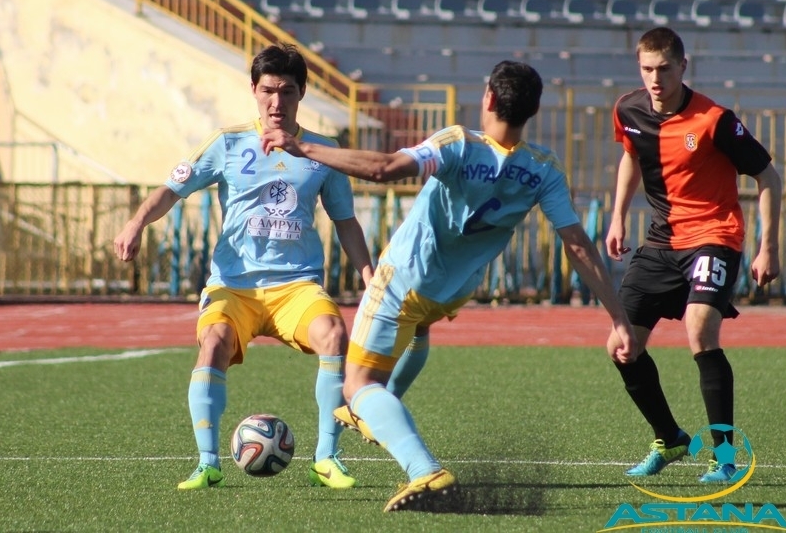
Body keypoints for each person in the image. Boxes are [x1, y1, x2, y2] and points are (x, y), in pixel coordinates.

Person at [262, 60, 637, 512]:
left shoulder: (458, 143)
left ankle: (423, 469)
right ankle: (383, 407)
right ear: (532, 111)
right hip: (452, 291)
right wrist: (618, 318)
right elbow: (577, 244)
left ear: (488, 99)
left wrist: (303, 147)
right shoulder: (544, 168)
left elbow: (385, 168)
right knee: (416, 331)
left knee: (356, 387)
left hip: (406, 278)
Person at [114, 43, 374, 491]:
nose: (277, 102)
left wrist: (369, 276)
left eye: (287, 91)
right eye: (268, 91)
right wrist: (136, 222)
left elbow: (346, 221)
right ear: (253, 90)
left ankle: (327, 459)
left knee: (334, 334)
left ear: (302, 93)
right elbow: (171, 189)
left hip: (296, 287)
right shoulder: (227, 143)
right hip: (234, 287)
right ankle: (207, 463)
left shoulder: (324, 152)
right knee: (213, 341)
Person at [604, 27, 781, 483]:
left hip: (714, 235)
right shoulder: (628, 110)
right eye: (646, 69)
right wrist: (617, 217)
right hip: (661, 241)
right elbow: (631, 155)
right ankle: (670, 438)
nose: (655, 79)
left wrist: (768, 246)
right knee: (622, 347)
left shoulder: (714, 119)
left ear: (683, 66)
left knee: (700, 328)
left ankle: (724, 457)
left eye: (664, 68)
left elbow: (768, 177)